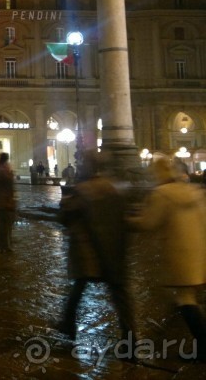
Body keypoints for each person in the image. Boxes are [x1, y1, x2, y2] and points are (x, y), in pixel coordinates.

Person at [126, 156, 206, 359]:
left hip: (178, 252)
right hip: (197, 251)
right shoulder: (193, 191)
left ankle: (203, 346)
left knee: (185, 299)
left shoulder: (162, 194)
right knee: (188, 297)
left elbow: (148, 223)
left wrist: (127, 219)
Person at [55, 149, 135, 343]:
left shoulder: (84, 190)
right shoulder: (114, 188)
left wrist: (65, 203)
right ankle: (130, 339)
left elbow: (65, 217)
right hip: (112, 249)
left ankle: (68, 325)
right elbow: (124, 219)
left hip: (88, 249)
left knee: (78, 289)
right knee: (120, 296)